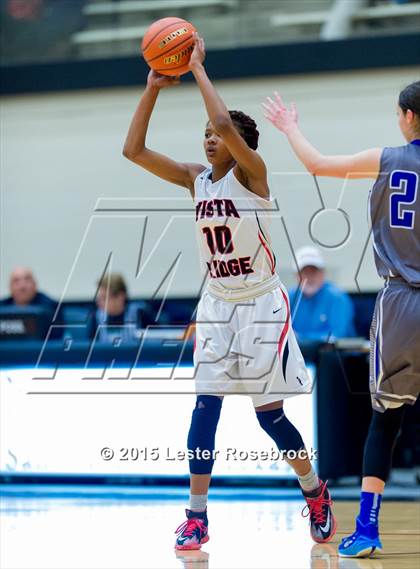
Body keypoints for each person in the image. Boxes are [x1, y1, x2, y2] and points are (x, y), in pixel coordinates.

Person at [123, 33, 336, 551]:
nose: (210, 139)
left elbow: (222, 121)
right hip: (218, 303)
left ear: (242, 145)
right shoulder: (197, 181)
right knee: (204, 410)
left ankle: (314, 492)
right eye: (205, 136)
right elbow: (133, 150)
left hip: (261, 303)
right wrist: (152, 86)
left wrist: (197, 69)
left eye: (220, 136)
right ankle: (196, 516)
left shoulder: (255, 176)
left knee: (271, 419)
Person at [263, 81, 420, 558]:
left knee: (386, 419)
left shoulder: (388, 157)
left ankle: (368, 528)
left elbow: (316, 164)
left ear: (407, 116)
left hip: (400, 302)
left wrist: (290, 128)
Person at [289, 245, 356, 341]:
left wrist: (300, 338)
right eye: (304, 272)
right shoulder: (288, 298)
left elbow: (337, 336)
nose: (309, 277)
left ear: (323, 273)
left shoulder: (338, 298)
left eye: (313, 271)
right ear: (296, 276)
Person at [0, 266, 63, 339]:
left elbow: (55, 340)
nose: (22, 286)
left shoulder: (52, 307)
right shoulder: (2, 307)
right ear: (10, 287)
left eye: (27, 279)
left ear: (35, 284)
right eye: (16, 281)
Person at [91, 273, 151, 343]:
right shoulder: (97, 317)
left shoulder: (140, 313)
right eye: (99, 298)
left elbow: (158, 340)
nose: (99, 302)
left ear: (120, 297)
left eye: (104, 298)